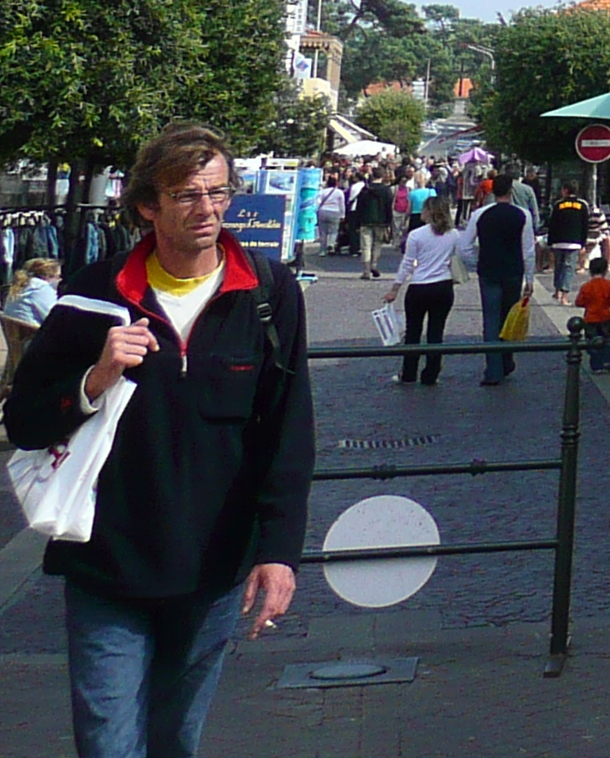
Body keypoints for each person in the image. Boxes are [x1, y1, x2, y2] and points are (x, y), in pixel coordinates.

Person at [4, 123, 313, 758]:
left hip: (214, 567)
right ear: (148, 205)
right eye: (187, 195)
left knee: (176, 740)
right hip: (107, 564)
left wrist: (279, 552)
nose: (208, 209)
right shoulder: (93, 292)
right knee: (109, 744)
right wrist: (93, 378)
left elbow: (287, 432)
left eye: (219, 192)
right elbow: (25, 423)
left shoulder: (267, 292)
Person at [384, 193, 466, 386]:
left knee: (413, 332)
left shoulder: (416, 235)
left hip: (419, 286)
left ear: (429, 212)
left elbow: (407, 264)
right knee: (436, 333)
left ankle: (409, 373)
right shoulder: (453, 234)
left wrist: (395, 288)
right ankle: (431, 374)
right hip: (443, 286)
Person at [468, 169, 534, 386]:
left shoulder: (479, 215)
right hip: (513, 272)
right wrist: (530, 279)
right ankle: (507, 360)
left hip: (488, 271)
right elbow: (528, 250)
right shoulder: (523, 215)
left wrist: (476, 261)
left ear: (492, 191)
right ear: (511, 191)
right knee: (509, 317)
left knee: (491, 319)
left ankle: (493, 369)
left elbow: (464, 246)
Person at [4, 255, 60, 388]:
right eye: (58, 276)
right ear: (48, 276)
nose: (59, 280)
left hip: (18, 347)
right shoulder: (42, 290)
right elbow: (54, 318)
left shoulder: (19, 288)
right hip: (35, 349)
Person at [573, 258, 610, 374]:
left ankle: (596, 364)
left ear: (590, 271)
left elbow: (579, 302)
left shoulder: (586, 286)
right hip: (605, 317)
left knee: (592, 341)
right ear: (605, 271)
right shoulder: (609, 285)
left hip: (590, 318)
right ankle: (608, 361)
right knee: (607, 340)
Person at [545, 186, 591, 301]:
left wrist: (550, 242)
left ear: (565, 191)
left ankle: (557, 292)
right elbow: (585, 226)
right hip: (574, 242)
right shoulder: (582, 205)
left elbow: (553, 225)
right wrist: (583, 243)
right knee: (569, 268)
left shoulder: (558, 205)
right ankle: (565, 296)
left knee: (558, 267)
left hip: (558, 241)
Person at [350, 172, 394, 279]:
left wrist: (357, 223)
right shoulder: (386, 190)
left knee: (366, 246)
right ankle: (374, 264)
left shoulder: (365, 190)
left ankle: (366, 270)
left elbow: (359, 207)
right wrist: (389, 222)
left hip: (365, 220)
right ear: (381, 177)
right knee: (377, 244)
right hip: (381, 221)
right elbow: (389, 207)